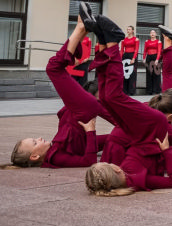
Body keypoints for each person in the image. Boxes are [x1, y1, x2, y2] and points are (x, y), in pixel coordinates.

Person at [81, 9, 172, 196]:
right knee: (114, 97)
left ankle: (104, 43)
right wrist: (168, 151)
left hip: (139, 135)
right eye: (107, 164)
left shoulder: (123, 174)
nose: (111, 162)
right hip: (153, 126)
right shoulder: (138, 179)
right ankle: (112, 42)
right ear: (117, 170)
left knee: (105, 98)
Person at [8, 13, 112, 169]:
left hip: (81, 110)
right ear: (34, 156)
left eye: (35, 138)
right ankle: (82, 29)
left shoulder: (54, 149)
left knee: (120, 133)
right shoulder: (55, 157)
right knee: (53, 69)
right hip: (83, 112)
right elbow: (88, 162)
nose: (39, 138)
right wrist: (90, 131)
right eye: (35, 142)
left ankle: (94, 35)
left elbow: (84, 145)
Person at [120, 26, 140, 95]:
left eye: (129, 29)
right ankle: (124, 91)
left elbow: (136, 49)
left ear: (132, 31)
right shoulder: (124, 40)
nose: (128, 30)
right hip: (125, 56)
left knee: (132, 74)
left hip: (132, 56)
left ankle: (131, 91)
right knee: (125, 74)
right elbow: (122, 50)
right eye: (127, 29)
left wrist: (133, 58)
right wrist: (120, 58)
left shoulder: (136, 39)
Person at [143, 29, 161, 95]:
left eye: (153, 32)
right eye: (151, 32)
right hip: (149, 57)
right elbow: (145, 50)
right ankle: (149, 90)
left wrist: (157, 59)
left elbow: (159, 51)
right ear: (150, 34)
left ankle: (156, 90)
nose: (152, 34)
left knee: (156, 74)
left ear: (156, 34)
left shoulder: (158, 42)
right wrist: (144, 58)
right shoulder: (147, 41)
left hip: (155, 57)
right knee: (149, 74)